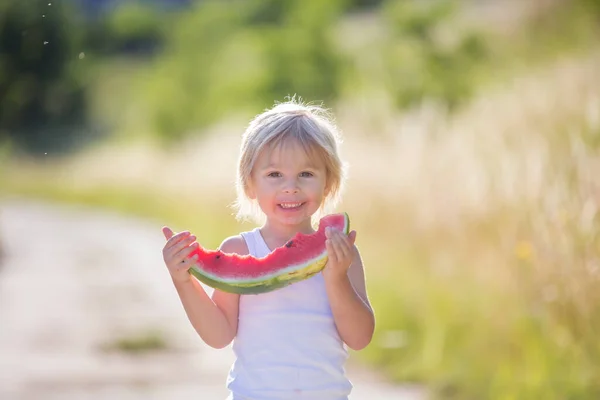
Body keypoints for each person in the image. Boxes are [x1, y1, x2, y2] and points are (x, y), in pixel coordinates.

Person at [161, 98, 375, 400]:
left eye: (307, 174)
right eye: (275, 175)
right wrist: (183, 281)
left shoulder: (341, 253)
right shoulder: (240, 249)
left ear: (328, 184)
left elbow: (360, 338)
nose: (291, 187)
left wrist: (337, 279)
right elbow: (218, 334)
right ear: (250, 184)